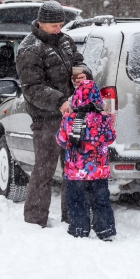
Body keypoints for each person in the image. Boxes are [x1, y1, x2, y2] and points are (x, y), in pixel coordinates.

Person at [16, 0, 91, 228]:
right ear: (41, 23)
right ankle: (35, 220)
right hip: (46, 118)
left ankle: (74, 216)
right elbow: (32, 88)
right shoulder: (29, 48)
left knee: (74, 166)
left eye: (60, 25)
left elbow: (80, 62)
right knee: (44, 169)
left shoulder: (66, 41)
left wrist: (82, 74)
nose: (58, 30)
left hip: (73, 115)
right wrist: (60, 101)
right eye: (53, 26)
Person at [56, 80, 117, 240]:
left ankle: (79, 230)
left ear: (76, 98)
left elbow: (61, 141)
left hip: (76, 173)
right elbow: (110, 138)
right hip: (99, 172)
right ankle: (105, 231)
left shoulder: (70, 120)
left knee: (77, 202)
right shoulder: (103, 119)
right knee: (101, 201)